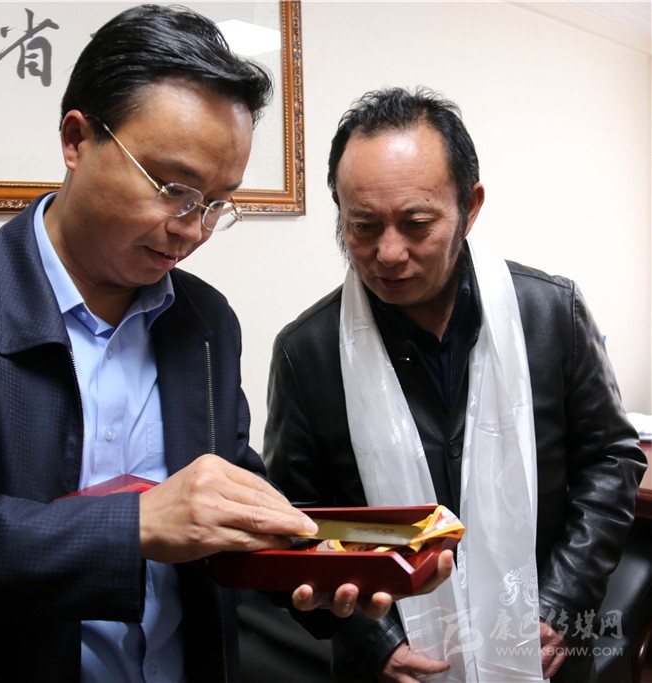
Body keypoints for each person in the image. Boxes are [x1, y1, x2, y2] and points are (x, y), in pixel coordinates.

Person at [0, 10, 453, 683]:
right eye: (174, 189)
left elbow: (228, 492)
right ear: (77, 139)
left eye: (216, 203)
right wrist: (133, 526)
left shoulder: (204, 321)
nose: (193, 229)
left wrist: (336, 584)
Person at [264, 86, 647, 683]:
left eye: (417, 224)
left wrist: (560, 603)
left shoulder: (550, 313)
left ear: (470, 207)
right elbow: (296, 522)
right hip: (394, 664)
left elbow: (610, 459)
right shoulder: (306, 351)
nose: (389, 253)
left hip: (542, 647)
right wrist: (374, 644)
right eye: (363, 225)